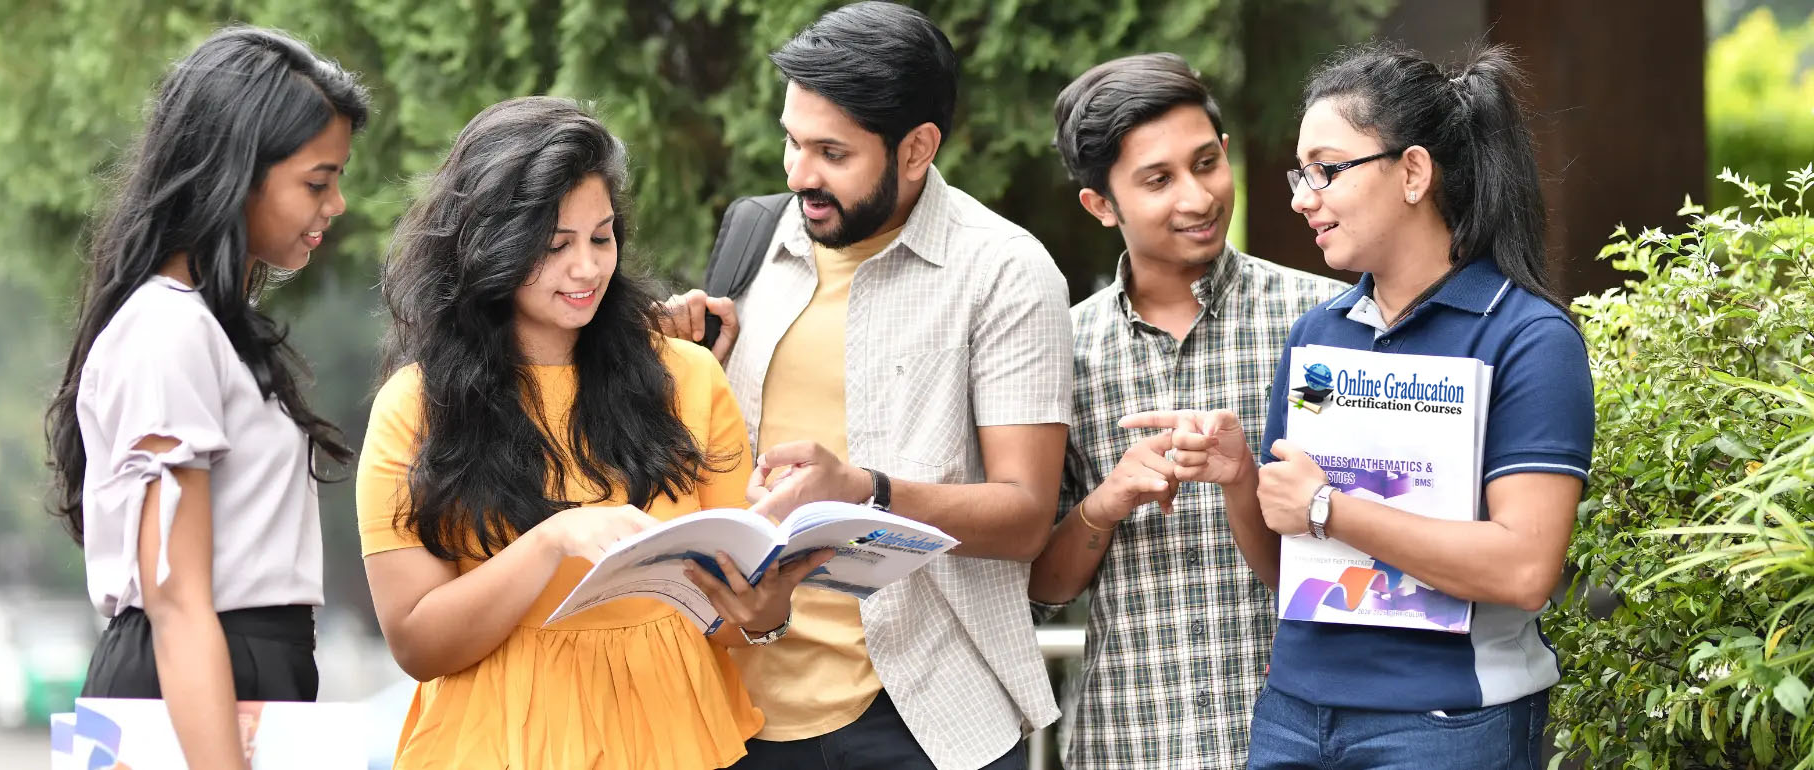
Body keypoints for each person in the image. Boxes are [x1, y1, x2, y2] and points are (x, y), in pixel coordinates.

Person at [1134, 43, 1595, 769]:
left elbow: (1523, 568)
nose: (1301, 198)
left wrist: (1329, 508)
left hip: (1447, 723)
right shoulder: (1319, 337)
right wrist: (1241, 476)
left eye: (1326, 169)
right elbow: (1293, 566)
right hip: (1292, 714)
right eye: (1299, 174)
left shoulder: (1528, 338)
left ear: (1413, 172)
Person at [356, 96, 832, 770]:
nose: (587, 268)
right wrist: (552, 540)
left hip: (674, 737)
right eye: (555, 246)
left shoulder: (688, 376)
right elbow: (417, 642)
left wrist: (765, 610)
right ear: (490, 245)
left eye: (601, 238)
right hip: (503, 743)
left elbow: (727, 621)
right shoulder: (416, 405)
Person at [661, 4, 1072, 768]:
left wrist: (864, 491)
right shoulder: (754, 239)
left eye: (831, 152)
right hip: (737, 709)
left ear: (917, 149)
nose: (798, 174)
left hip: (919, 716)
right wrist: (681, 362)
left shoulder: (1005, 273)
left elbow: (1024, 516)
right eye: (792, 141)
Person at [44, 26, 368, 770]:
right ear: (238, 172)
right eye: (317, 182)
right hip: (192, 681)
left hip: (236, 671)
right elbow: (176, 599)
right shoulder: (168, 330)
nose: (338, 203)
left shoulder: (208, 328)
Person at [1027, 53, 1346, 769]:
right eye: (1158, 180)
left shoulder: (1323, 323)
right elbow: (1040, 588)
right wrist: (1105, 503)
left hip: (1305, 738)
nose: (1198, 198)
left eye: (1206, 164)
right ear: (1099, 204)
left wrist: (1250, 478)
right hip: (1130, 740)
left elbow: (1364, 543)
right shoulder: (1060, 353)